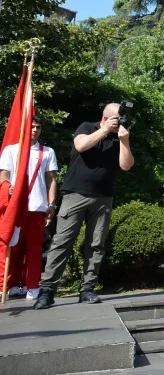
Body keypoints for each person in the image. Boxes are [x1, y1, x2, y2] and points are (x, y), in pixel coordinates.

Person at [33, 104, 134, 309]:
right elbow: (80, 145)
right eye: (116, 118)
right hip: (75, 194)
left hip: (103, 198)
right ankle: (47, 291)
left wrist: (124, 140)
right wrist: (104, 130)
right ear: (105, 118)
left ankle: (87, 289)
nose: (119, 122)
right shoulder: (87, 126)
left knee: (96, 245)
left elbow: (126, 165)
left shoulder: (119, 137)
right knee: (62, 242)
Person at [0, 115, 58, 301]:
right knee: (12, 247)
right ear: (24, 128)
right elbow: (3, 175)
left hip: (37, 207)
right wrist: (7, 187)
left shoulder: (47, 151)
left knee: (34, 250)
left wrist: (51, 204)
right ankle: (8, 284)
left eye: (38, 127)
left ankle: (32, 284)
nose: (35, 130)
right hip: (16, 207)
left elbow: (51, 180)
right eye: (32, 126)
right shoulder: (11, 150)